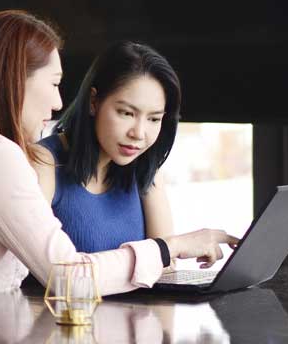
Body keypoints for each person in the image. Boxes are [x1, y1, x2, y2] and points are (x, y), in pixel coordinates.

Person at [0, 10, 238, 309]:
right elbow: (69, 276)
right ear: (16, 81)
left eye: (154, 118)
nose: (58, 103)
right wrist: (171, 247)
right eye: (54, 83)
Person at [31, 41, 179, 254]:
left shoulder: (146, 170)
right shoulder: (44, 162)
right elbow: (51, 270)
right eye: (126, 113)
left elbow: (167, 263)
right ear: (93, 102)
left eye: (154, 119)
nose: (138, 133)